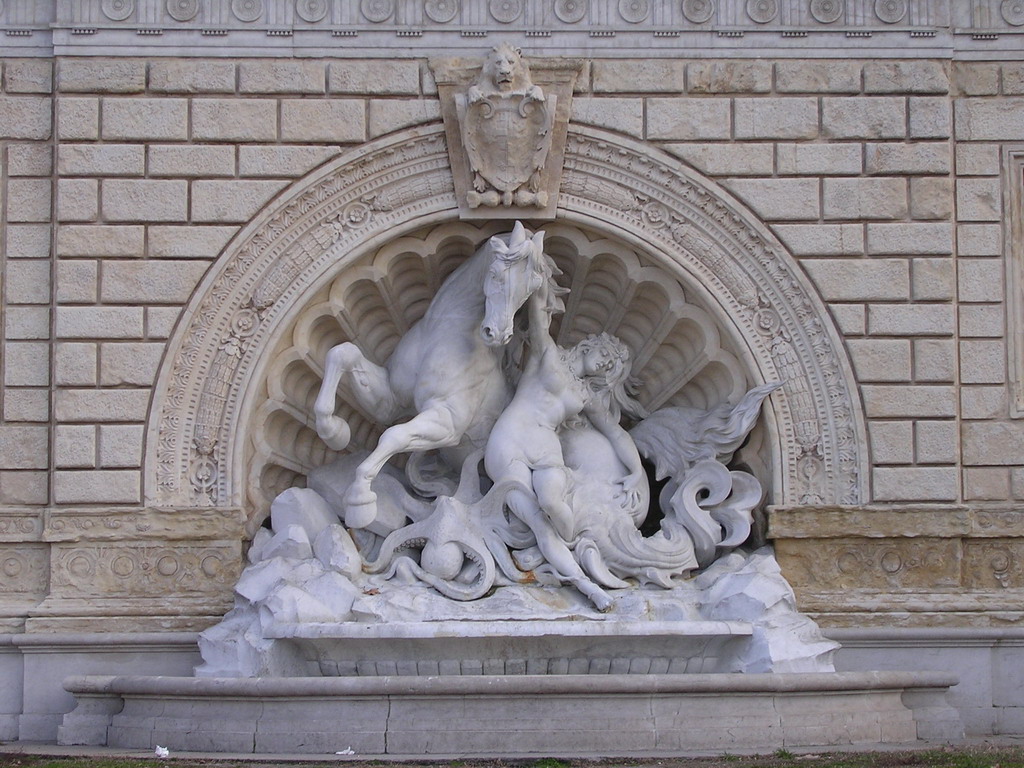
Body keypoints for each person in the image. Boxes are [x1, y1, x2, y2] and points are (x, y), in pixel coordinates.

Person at [484, 274, 646, 611]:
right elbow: (538, 319)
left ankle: (569, 551)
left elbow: (616, 433)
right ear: (589, 344)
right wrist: (533, 274)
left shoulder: (586, 395)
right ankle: (586, 586)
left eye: (612, 365)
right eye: (607, 353)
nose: (606, 363)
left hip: (546, 448)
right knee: (540, 520)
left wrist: (635, 472)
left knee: (555, 506)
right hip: (510, 441)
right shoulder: (548, 355)